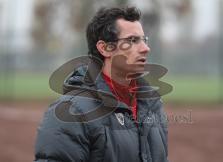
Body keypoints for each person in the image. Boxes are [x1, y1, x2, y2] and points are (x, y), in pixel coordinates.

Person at [35, 7, 168, 162]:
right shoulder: (70, 113)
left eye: (144, 40)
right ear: (105, 48)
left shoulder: (152, 105)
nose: (146, 48)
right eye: (133, 40)